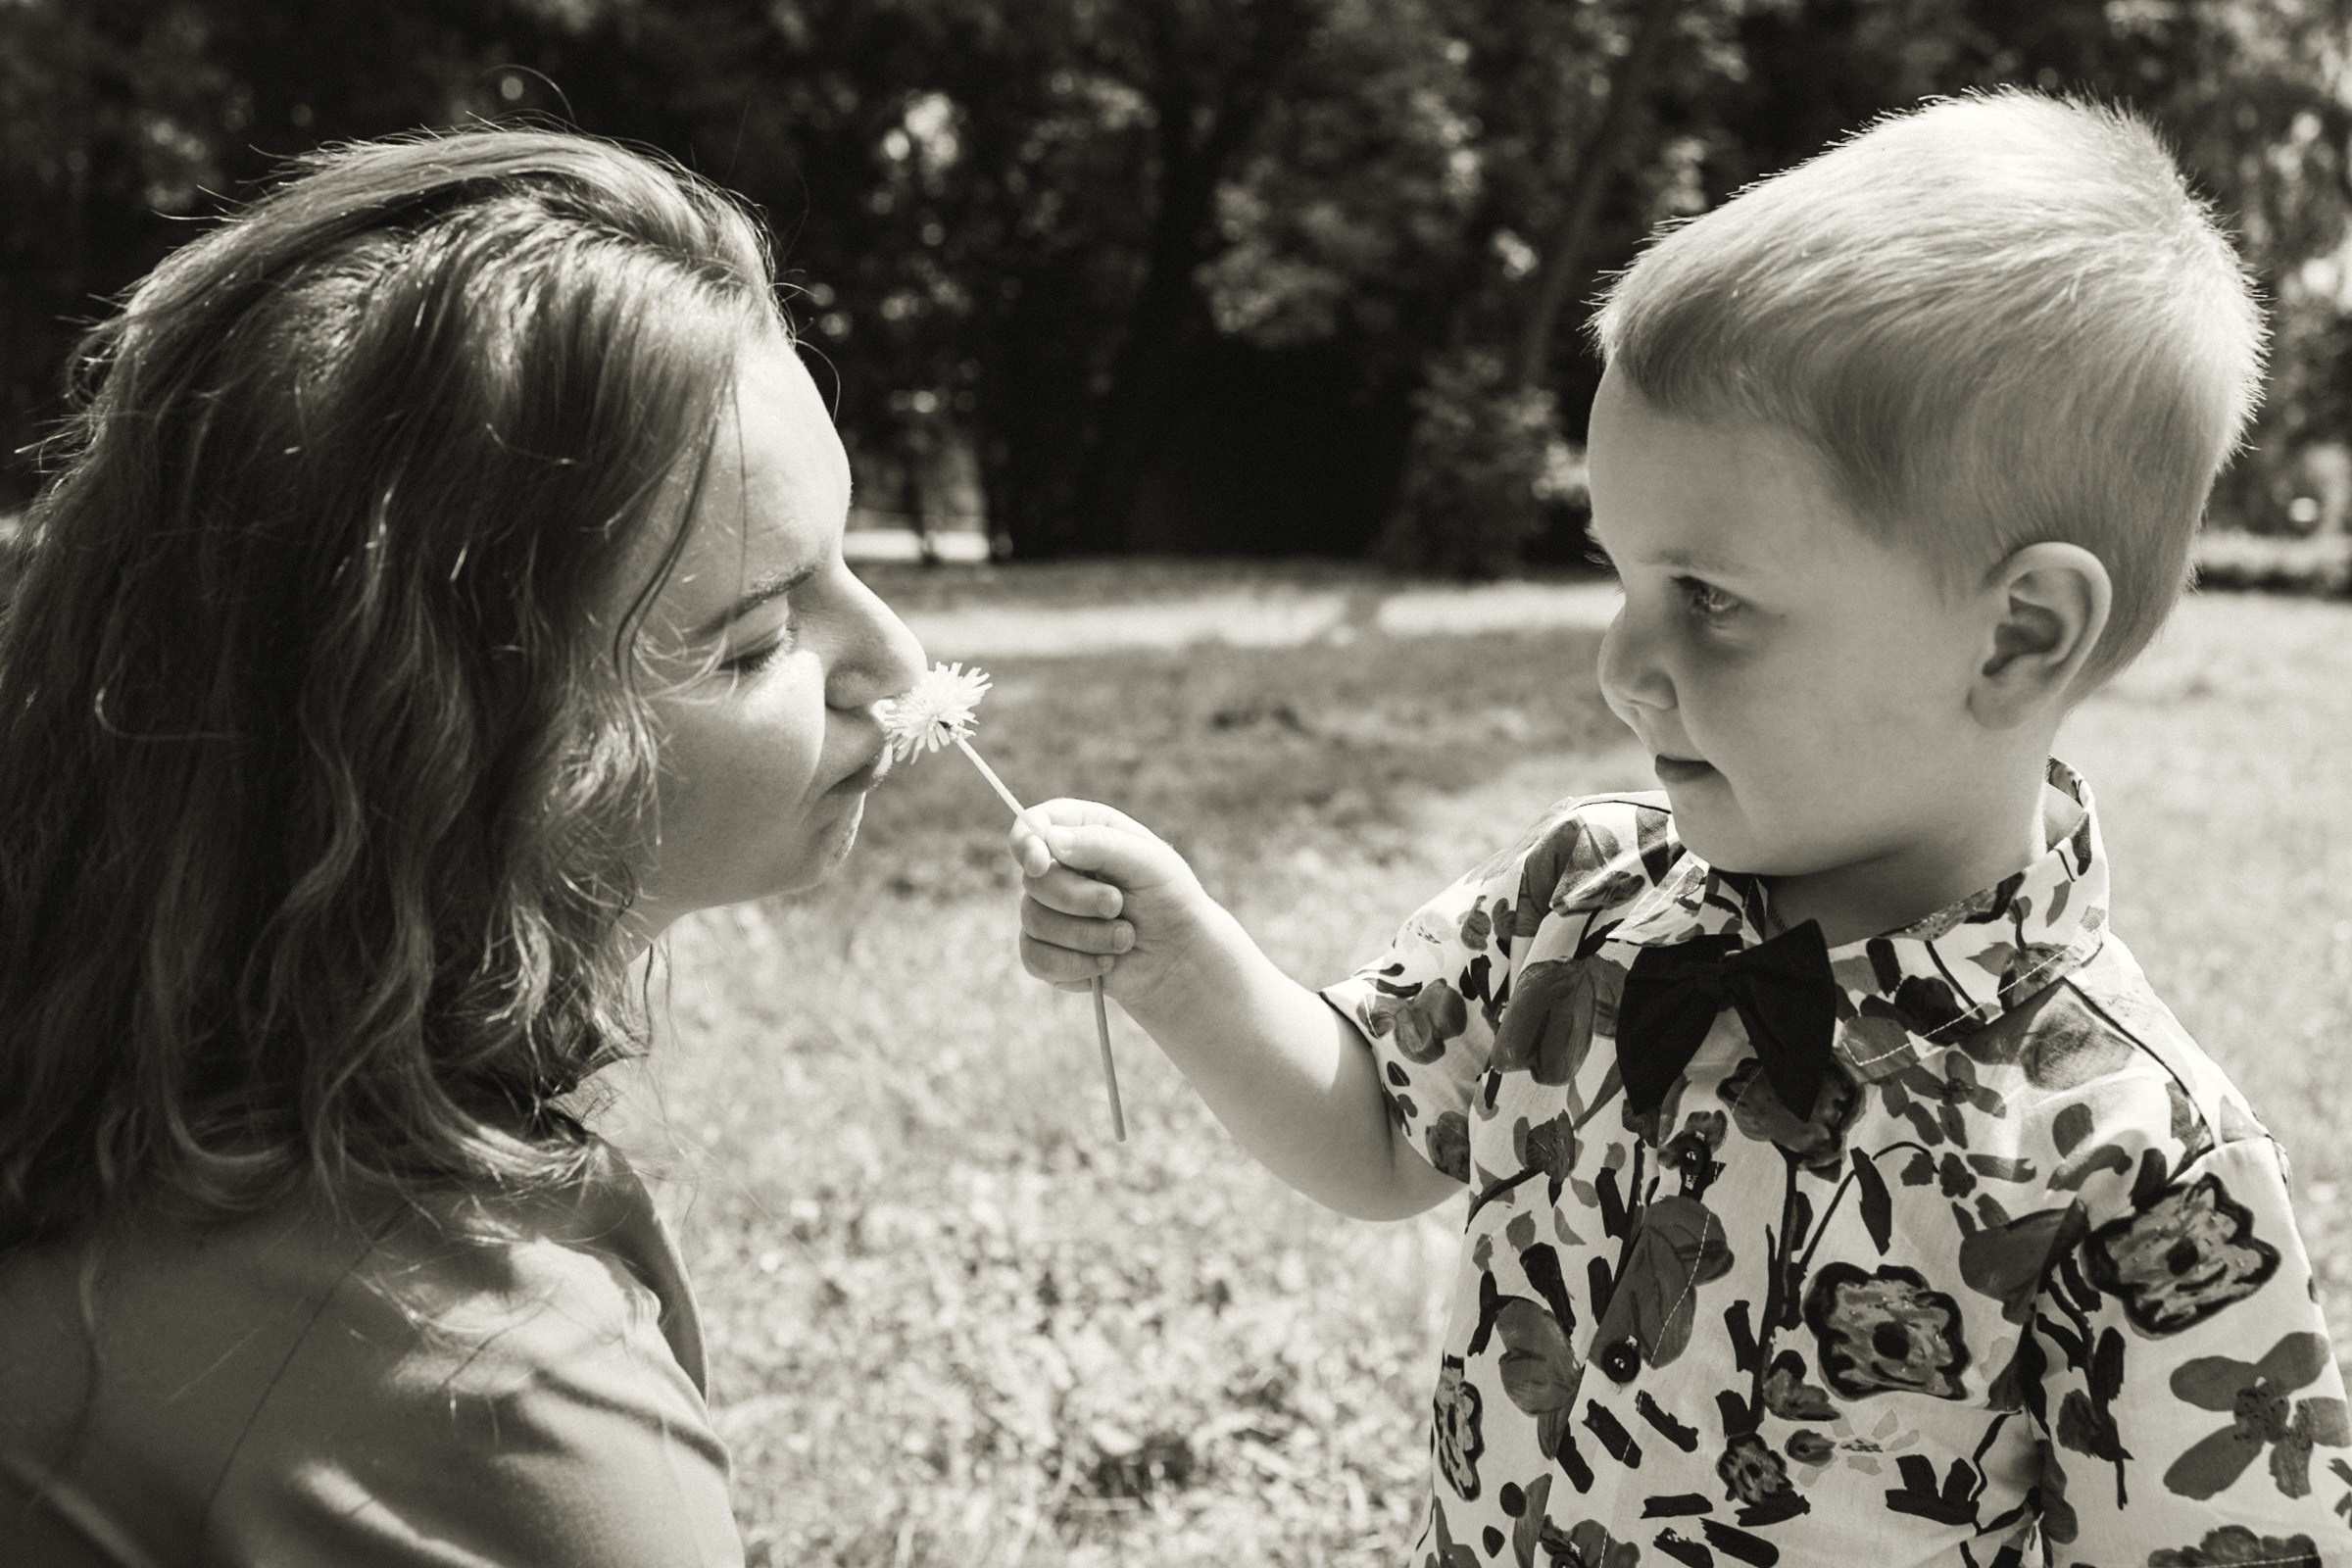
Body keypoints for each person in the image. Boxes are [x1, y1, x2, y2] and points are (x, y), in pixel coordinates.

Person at [1012, 92, 2352, 1563]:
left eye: (1708, 599)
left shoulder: (2140, 1169)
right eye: (1623, 579)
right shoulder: (1578, 897)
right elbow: (1381, 1135)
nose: (1622, 666)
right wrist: (1187, 970)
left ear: (2019, 632)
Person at [0, 129, 924, 1563]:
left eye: (848, 563)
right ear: (448, 760)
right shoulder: (484, 1396)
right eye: (754, 640)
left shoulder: (106, 1108)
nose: (895, 664)